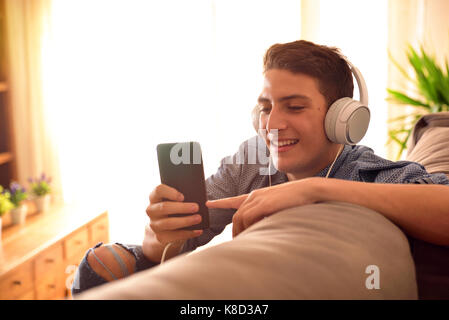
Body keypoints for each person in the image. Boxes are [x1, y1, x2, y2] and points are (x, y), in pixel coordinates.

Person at [71, 40, 449, 296]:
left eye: (295, 107)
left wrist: (316, 189)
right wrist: (159, 235)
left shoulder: (364, 170)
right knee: (95, 265)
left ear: (343, 119)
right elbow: (177, 243)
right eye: (266, 107)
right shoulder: (251, 160)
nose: (271, 124)